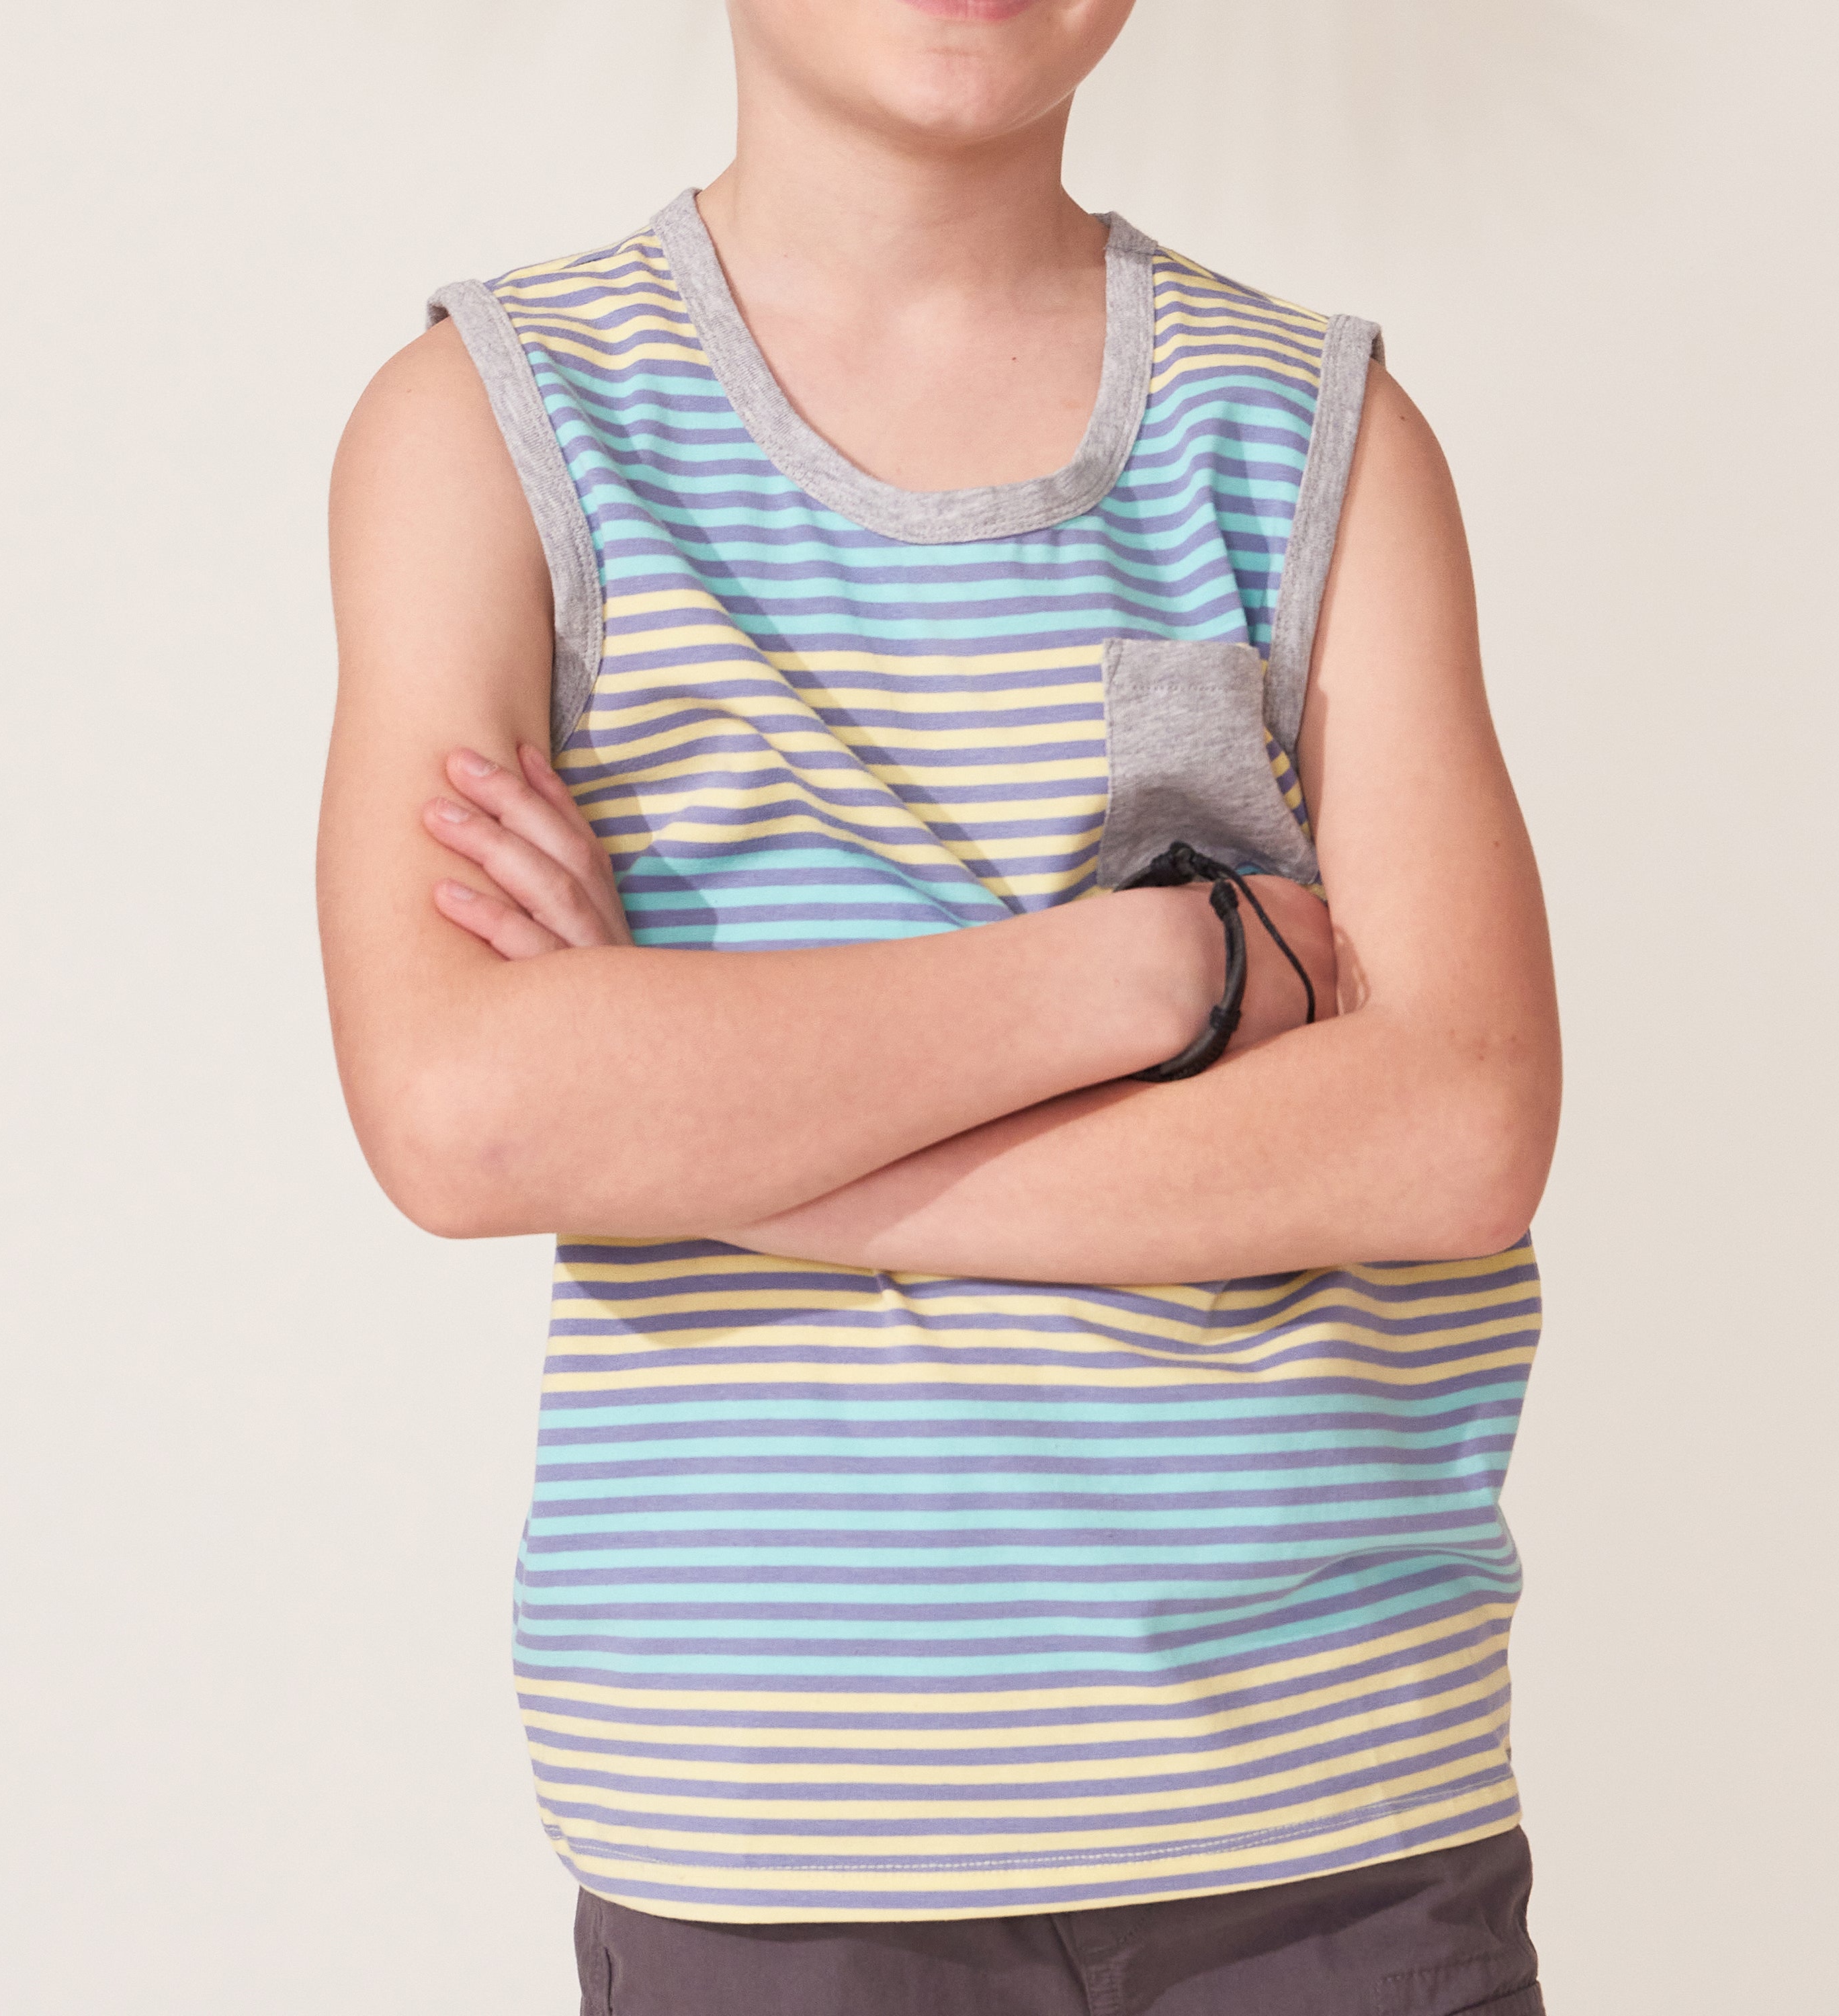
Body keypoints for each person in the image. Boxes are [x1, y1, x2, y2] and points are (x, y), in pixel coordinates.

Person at [318, 2, 1562, 2009]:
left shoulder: (1316, 430)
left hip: (1332, 1804)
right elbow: (467, 1113)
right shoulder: (493, 423)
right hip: (772, 1834)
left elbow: (1457, 1129)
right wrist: (1153, 969)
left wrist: (714, 1136)